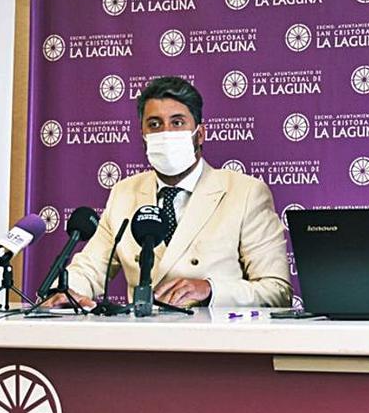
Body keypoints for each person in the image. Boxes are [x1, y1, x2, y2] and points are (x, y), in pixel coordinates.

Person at [45, 76, 291, 309]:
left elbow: (276, 290)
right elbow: (90, 268)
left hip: (217, 342)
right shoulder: (124, 192)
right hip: (143, 343)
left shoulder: (246, 193)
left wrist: (210, 290)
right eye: (154, 124)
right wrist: (64, 292)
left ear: (200, 134)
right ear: (143, 135)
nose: (166, 132)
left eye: (177, 122)